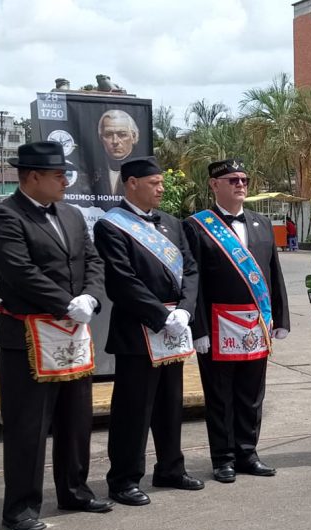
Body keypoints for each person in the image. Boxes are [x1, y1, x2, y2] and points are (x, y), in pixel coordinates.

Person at [0, 141, 112, 530]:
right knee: (29, 423)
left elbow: (92, 259)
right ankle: (20, 505)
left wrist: (90, 295)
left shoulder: (71, 215)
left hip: (71, 332)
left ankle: (74, 489)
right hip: (29, 333)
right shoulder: (5, 218)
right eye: (57, 175)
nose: (64, 180)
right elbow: (20, 270)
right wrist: (64, 302)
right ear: (32, 176)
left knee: (76, 418)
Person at [93, 156, 203, 505]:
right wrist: (159, 314)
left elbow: (190, 271)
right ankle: (124, 478)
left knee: (171, 404)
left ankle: (171, 467)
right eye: (154, 183)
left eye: (161, 182)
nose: (161, 188)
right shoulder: (110, 227)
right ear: (132, 184)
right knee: (133, 408)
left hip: (174, 328)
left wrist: (185, 311)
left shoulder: (172, 223)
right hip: (137, 331)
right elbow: (122, 281)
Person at [183, 159, 290, 482]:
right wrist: (198, 328)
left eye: (244, 178)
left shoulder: (261, 223)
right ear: (214, 185)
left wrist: (281, 317)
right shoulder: (197, 226)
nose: (240, 184)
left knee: (251, 393)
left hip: (256, 324)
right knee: (219, 395)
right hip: (218, 324)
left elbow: (273, 273)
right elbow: (193, 280)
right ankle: (223, 458)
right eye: (232, 180)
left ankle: (247, 452)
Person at [94, 110, 140, 196]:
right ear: (101, 138)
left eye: (122, 134)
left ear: (133, 137)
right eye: (108, 135)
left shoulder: (142, 172)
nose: (115, 141)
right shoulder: (92, 172)